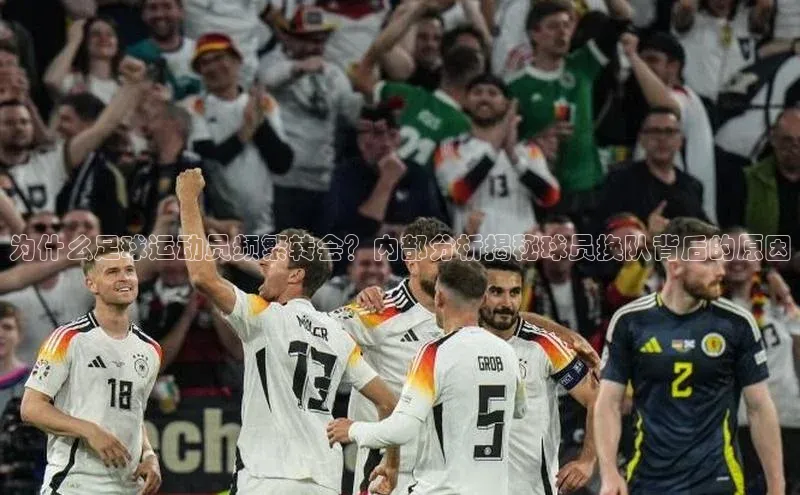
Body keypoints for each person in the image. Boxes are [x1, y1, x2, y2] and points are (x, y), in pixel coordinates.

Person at [175, 168, 399, 494]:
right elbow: (389, 403)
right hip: (324, 482)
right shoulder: (338, 334)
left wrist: (187, 199)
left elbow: (202, 277)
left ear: (296, 275)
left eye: (275, 256)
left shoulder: (264, 315)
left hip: (267, 476)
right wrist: (389, 461)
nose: (264, 262)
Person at [595, 217, 785, 495]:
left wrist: (777, 486)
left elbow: (759, 407)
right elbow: (608, 403)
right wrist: (609, 473)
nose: (721, 270)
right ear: (675, 267)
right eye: (709, 261)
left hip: (718, 481)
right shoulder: (630, 322)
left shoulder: (736, 323)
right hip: (648, 481)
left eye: (720, 259)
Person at [327, 258, 526, 494]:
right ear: (483, 300)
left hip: (445, 489)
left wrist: (352, 429)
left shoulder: (433, 353)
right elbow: (519, 410)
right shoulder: (507, 352)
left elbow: (402, 428)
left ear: (439, 298)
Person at [20, 238, 163, 494]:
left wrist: (149, 454)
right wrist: (89, 431)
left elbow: (132, 412)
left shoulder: (151, 349)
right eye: (112, 272)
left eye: (129, 270)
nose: (124, 278)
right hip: (74, 483)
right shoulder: (68, 338)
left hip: (128, 487)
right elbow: (31, 408)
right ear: (91, 284)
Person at [480, 253, 598, 495]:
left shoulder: (544, 345)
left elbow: (597, 398)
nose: (507, 302)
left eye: (514, 292)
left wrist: (587, 460)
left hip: (531, 487)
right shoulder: (460, 340)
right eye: (496, 292)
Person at [722, 227, 800, 494]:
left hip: (790, 420)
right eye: (728, 252)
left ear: (758, 258)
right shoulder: (707, 309)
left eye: (744, 251)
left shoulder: (778, 303)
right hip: (739, 425)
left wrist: (783, 292)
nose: (736, 259)